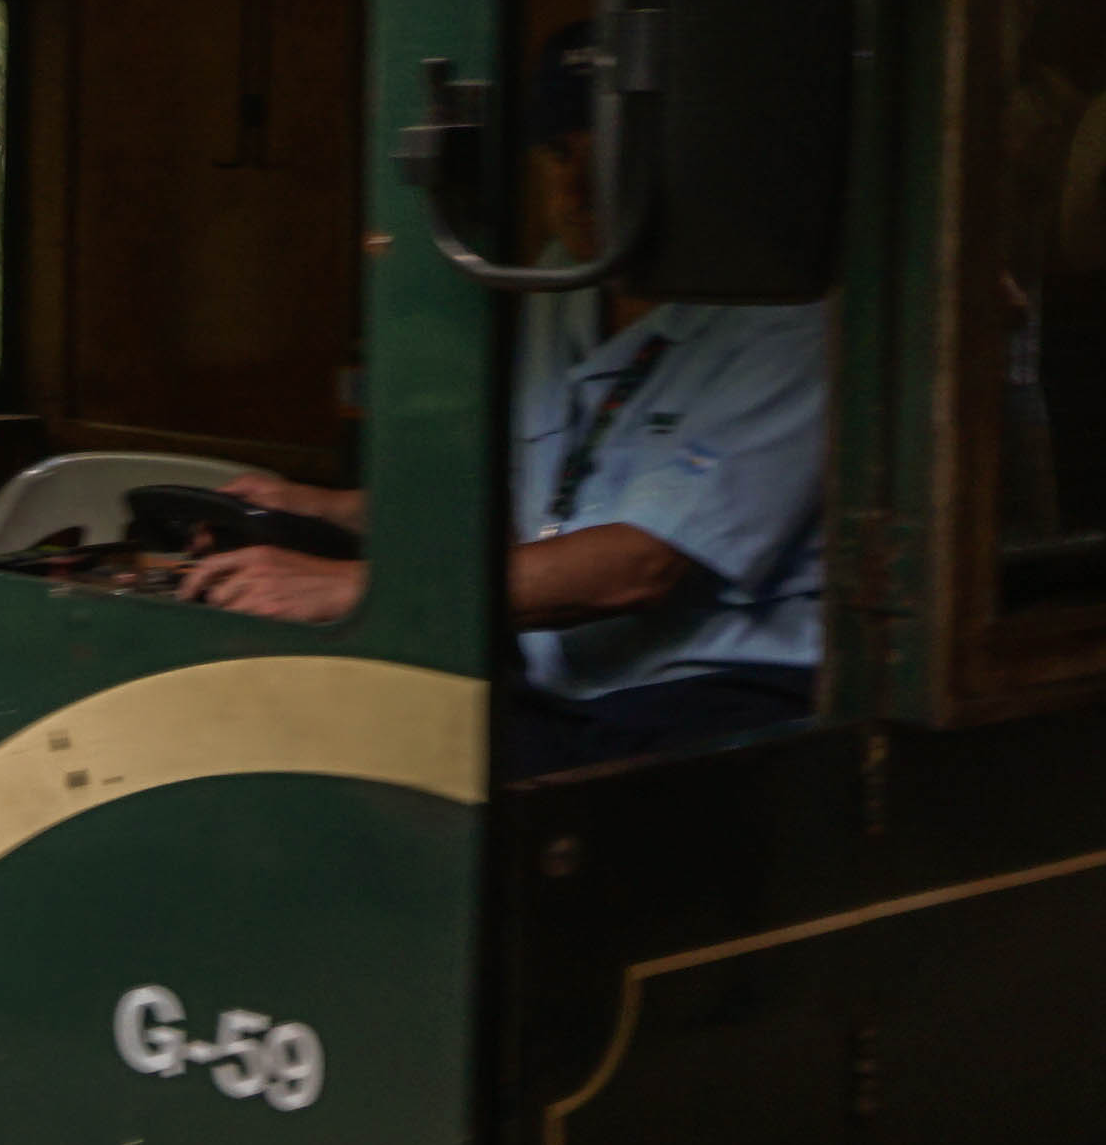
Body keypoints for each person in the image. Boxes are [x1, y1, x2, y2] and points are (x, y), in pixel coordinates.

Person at [175, 44, 830, 772]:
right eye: (556, 153)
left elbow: (640, 565)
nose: (576, 188)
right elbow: (528, 499)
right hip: (566, 684)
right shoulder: (560, 278)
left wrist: (347, 587)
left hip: (724, 689)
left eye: (609, 152)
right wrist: (323, 509)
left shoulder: (788, 312)